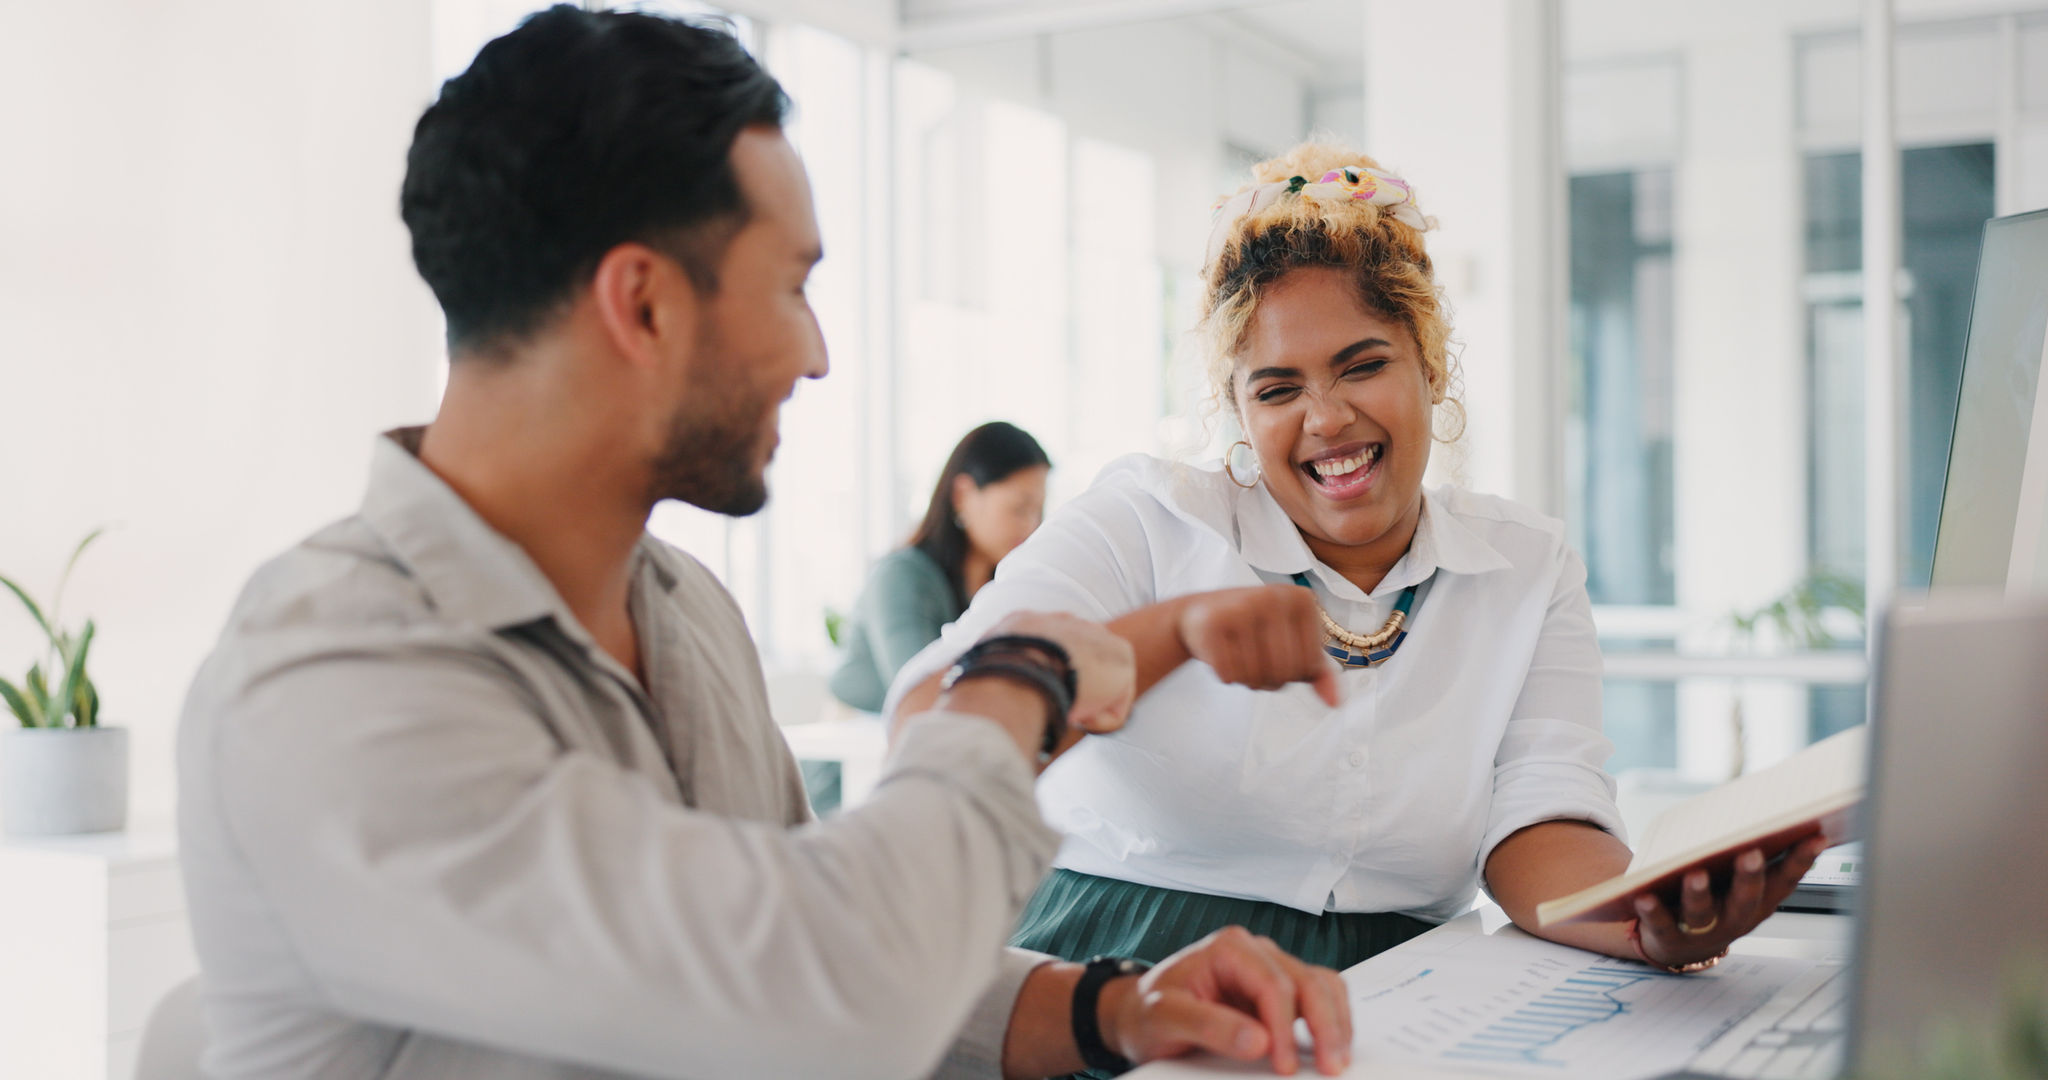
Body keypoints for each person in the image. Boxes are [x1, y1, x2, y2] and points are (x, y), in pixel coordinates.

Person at [173, 12, 1356, 1080]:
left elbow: (796, 923)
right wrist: (1021, 679)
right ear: (641, 304)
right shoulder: (330, 681)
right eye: (792, 286)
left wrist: (1110, 1008)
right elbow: (826, 991)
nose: (818, 353)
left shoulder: (684, 608)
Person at [889, 143, 1827, 982]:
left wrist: (1646, 924)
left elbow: (1540, 819)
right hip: (1119, 969)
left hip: (1401, 987)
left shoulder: (1526, 564)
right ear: (1240, 409)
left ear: (1432, 365)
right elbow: (937, 714)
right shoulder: (1147, 519)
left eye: (1362, 365)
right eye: (1278, 387)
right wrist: (1168, 636)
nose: (1326, 418)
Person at [832, 422, 1051, 712]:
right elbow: (919, 688)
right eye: (1019, 509)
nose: (1032, 526)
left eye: (1039, 511)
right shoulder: (900, 576)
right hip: (856, 746)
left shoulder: (1002, 584)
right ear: (963, 495)